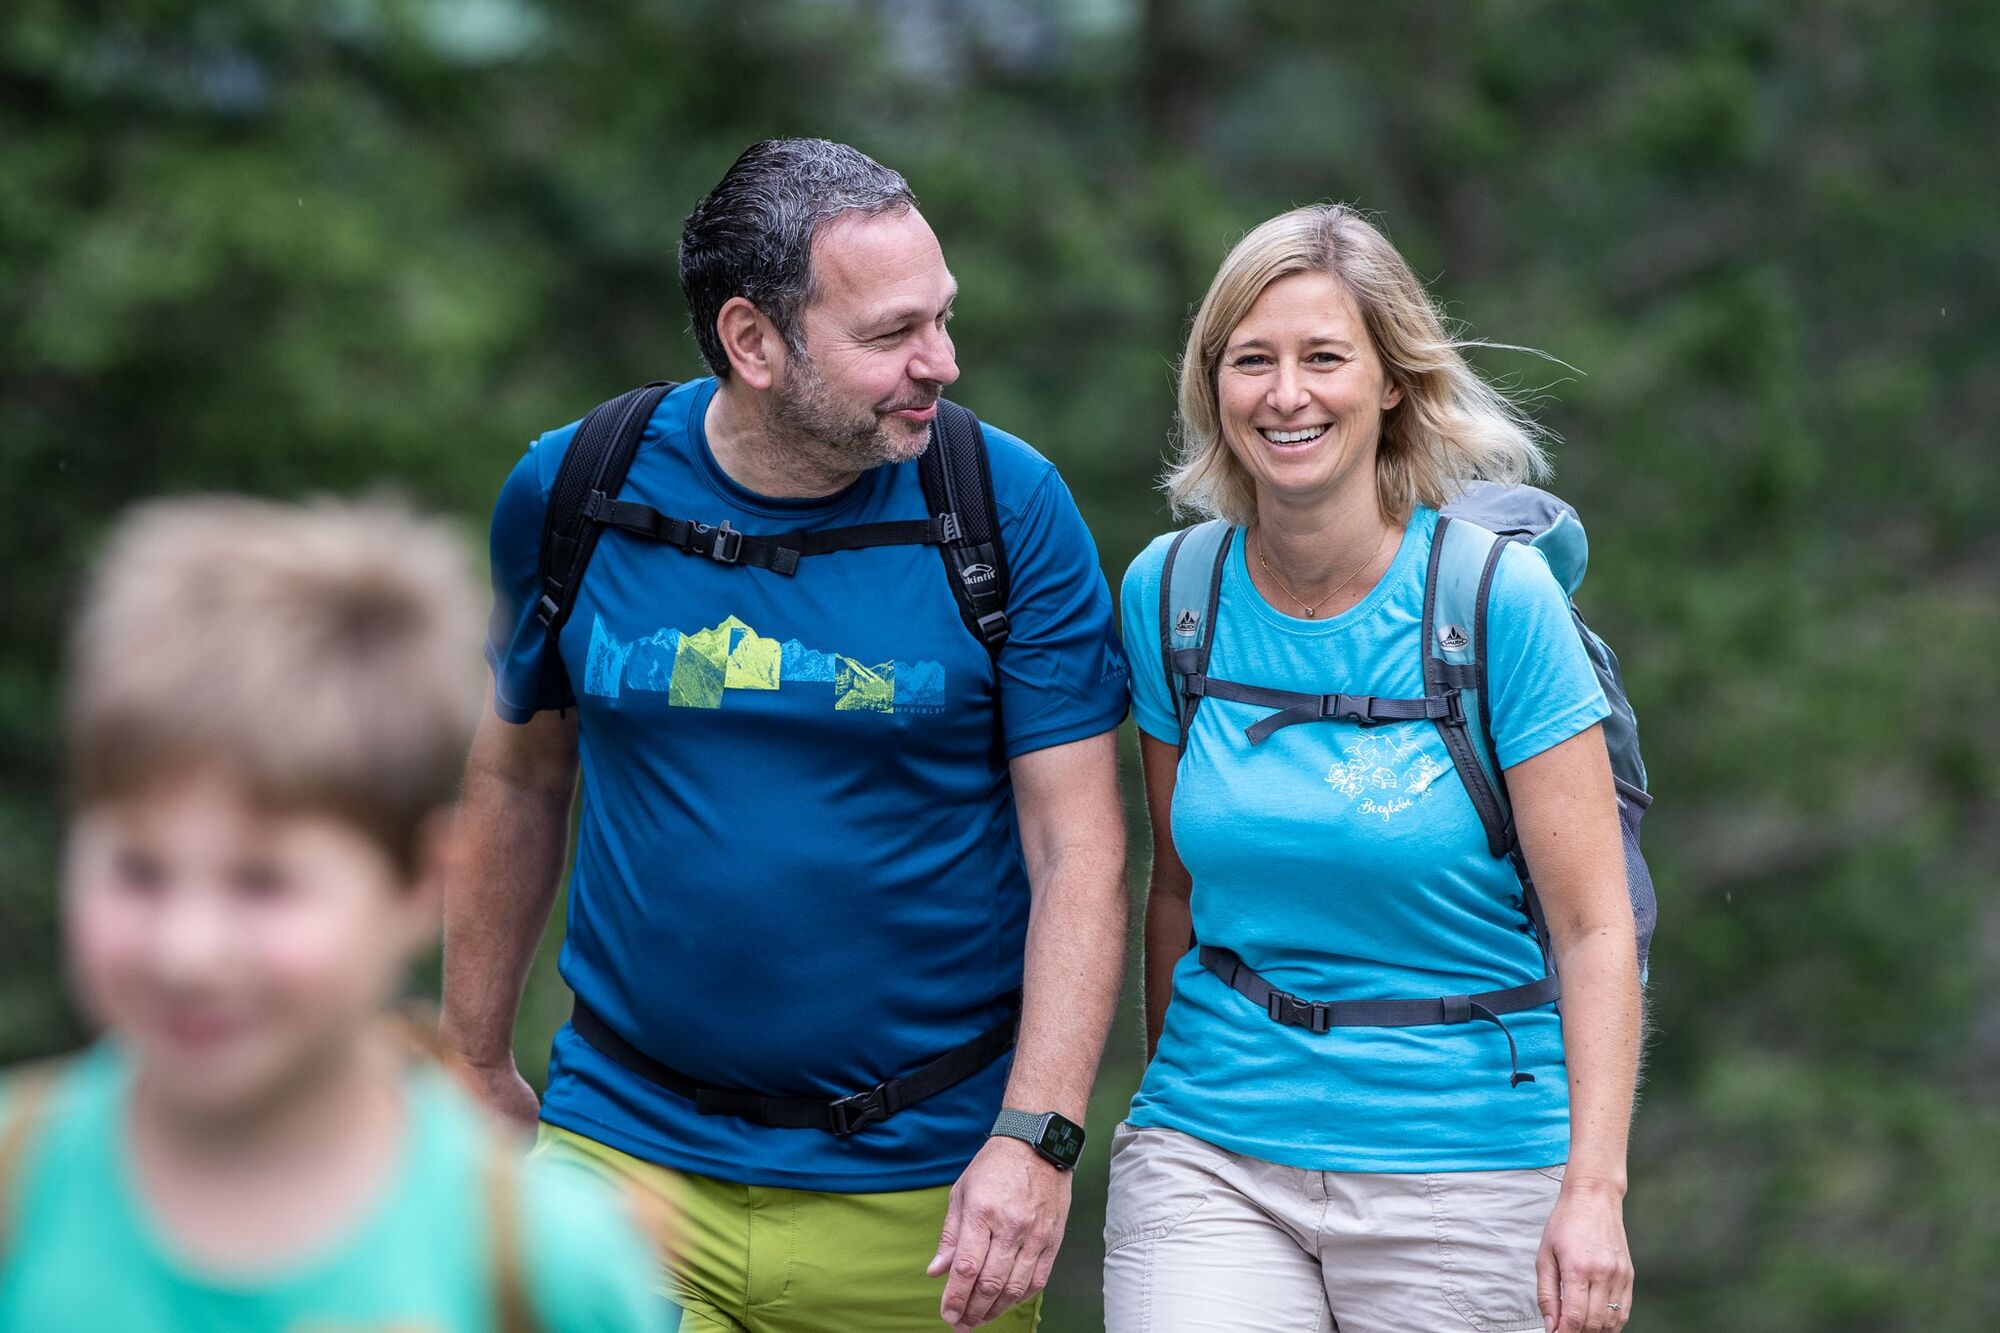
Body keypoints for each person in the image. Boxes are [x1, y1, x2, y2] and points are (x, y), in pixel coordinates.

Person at [445, 138, 1129, 1332]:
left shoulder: (1004, 509)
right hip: (620, 1163)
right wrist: (471, 1058)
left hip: (929, 1202)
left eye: (942, 317)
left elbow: (1077, 847)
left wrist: (1037, 1137)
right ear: (753, 341)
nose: (940, 362)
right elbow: (515, 779)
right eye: (891, 333)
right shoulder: (572, 490)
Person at [1105, 204, 1642, 1333]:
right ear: (1212, 384)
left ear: (1391, 380)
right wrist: (1174, 1092)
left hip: (1469, 1162)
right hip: (1212, 1153)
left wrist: (1593, 1192)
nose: (1284, 395)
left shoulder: (1495, 603)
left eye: (1322, 358)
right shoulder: (1171, 595)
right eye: (1251, 360)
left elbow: (1593, 925)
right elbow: (1176, 889)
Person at [0, 496, 664, 1333]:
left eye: (264, 883)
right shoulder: (16, 1194)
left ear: (420, 884)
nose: (186, 950)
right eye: (139, 870)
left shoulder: (547, 1266)